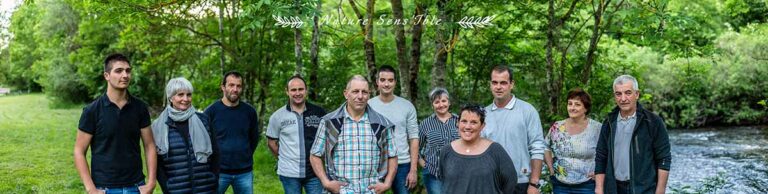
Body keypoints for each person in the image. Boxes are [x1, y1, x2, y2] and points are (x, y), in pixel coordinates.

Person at [74, 53, 157, 194]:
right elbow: (79, 151)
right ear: (107, 75)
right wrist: (91, 189)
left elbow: (149, 146)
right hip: (104, 188)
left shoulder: (140, 108)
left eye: (128, 71)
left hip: (136, 186)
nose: (125, 75)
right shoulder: (92, 111)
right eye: (119, 71)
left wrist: (151, 183)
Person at [309, 75, 398, 194]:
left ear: (369, 95)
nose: (360, 96)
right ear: (346, 94)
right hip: (341, 191)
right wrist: (326, 183)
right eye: (355, 91)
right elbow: (314, 155)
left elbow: (393, 155)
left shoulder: (382, 124)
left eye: (364, 92)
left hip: (371, 191)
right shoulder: (329, 122)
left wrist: (387, 183)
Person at [594, 75, 671, 194]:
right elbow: (601, 157)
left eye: (628, 93)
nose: (623, 98)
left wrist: (660, 191)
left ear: (637, 94)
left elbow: (664, 158)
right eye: (618, 94)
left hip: (644, 189)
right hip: (613, 188)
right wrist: (599, 189)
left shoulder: (653, 122)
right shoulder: (609, 122)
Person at [481, 65, 546, 194]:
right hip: (490, 183)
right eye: (495, 82)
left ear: (511, 84)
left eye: (503, 83)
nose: (498, 87)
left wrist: (534, 183)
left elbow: (537, 147)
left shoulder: (527, 111)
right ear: (490, 84)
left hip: (521, 182)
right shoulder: (483, 114)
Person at [152, 77, 219, 193]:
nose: (185, 99)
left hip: (206, 188)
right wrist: (167, 187)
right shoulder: (158, 126)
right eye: (180, 95)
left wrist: (214, 179)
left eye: (188, 95)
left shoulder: (204, 120)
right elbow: (157, 163)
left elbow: (216, 154)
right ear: (171, 97)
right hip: (176, 190)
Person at [267, 75, 327, 194]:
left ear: (306, 90)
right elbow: (271, 143)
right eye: (293, 90)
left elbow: (327, 139)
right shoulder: (277, 116)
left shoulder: (319, 113)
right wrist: (284, 158)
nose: (297, 93)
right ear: (287, 91)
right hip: (289, 174)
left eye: (300, 89)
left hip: (315, 172)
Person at [438, 104, 518, 194]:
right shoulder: (446, 151)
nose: (467, 126)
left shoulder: (495, 150)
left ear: (482, 126)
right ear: (458, 123)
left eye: (473, 122)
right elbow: (444, 180)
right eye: (464, 121)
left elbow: (510, 181)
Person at [203, 71, 259, 194]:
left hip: (244, 172)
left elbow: (254, 138)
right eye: (231, 85)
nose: (235, 89)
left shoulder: (249, 112)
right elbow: (204, 141)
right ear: (223, 87)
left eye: (238, 86)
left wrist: (244, 153)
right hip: (218, 172)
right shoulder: (210, 112)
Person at [367, 65, 419, 194]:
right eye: (383, 80)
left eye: (390, 80)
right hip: (374, 164)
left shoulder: (407, 106)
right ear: (377, 82)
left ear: (395, 82)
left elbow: (414, 138)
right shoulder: (368, 105)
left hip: (402, 164)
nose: (386, 84)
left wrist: (413, 170)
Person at [544, 88, 602, 194]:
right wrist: (551, 169)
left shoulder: (596, 128)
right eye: (570, 104)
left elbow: (606, 152)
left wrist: (599, 172)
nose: (572, 108)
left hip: (587, 184)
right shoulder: (557, 127)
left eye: (577, 104)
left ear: (586, 108)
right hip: (560, 185)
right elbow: (545, 146)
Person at [417, 87, 459, 194]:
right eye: (437, 102)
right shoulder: (425, 124)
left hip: (458, 173)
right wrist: (423, 163)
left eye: (444, 101)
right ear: (432, 105)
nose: (441, 105)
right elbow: (415, 147)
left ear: (449, 102)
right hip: (433, 173)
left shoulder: (459, 121)